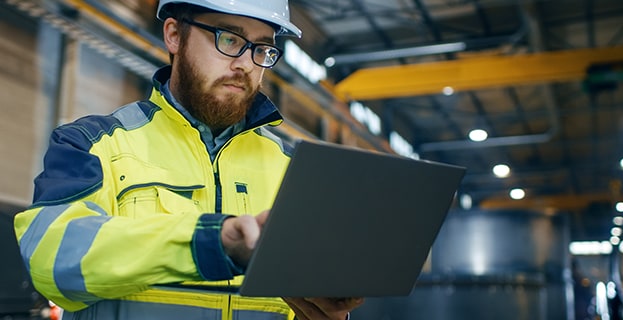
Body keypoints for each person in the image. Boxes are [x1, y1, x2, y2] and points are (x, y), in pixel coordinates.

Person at [13, 0, 363, 319]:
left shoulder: (295, 169)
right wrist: (211, 242)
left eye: (262, 48)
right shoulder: (93, 143)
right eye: (229, 39)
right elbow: (52, 259)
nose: (245, 64)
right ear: (175, 35)